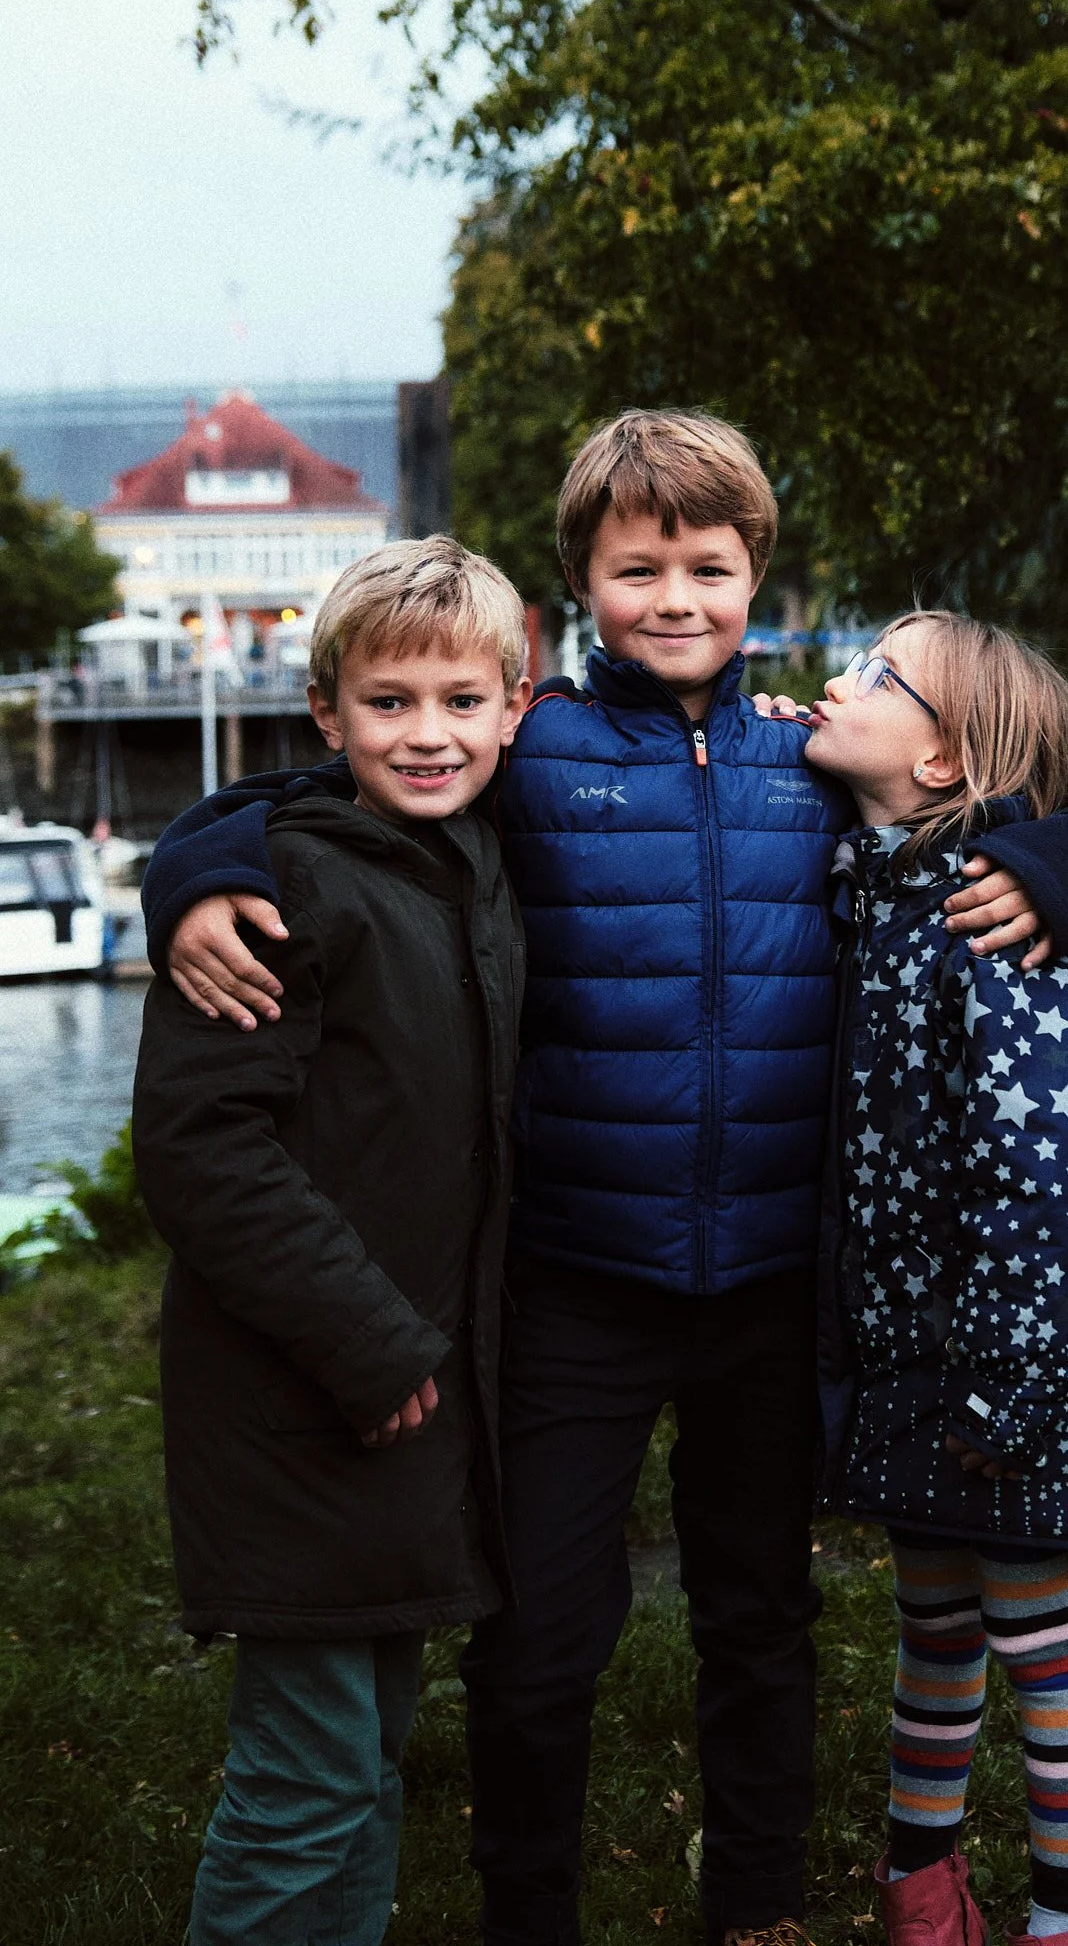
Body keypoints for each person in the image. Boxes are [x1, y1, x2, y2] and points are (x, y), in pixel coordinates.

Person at [138, 411, 1068, 1946]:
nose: (676, 596)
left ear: (754, 576)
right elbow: (325, 795)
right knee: (540, 1642)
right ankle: (528, 1908)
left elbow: (979, 797)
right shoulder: (532, 743)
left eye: (708, 566)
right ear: (578, 588)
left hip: (772, 1285)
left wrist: (1065, 869)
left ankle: (761, 1908)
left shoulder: (814, 754)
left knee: (760, 1621)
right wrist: (191, 872)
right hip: (575, 1278)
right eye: (637, 565)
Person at [132, 538, 532, 1946]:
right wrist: (367, 1343)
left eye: (461, 702)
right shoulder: (271, 893)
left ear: (515, 709)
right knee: (304, 1782)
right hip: (310, 1399)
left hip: (415, 1405)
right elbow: (199, 1148)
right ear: (327, 714)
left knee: (366, 1768)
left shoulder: (471, 860)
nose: (428, 734)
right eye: (389, 703)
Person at [805, 611, 1068, 1946]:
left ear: (944, 766)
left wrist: (1012, 1379)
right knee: (932, 1621)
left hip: (1002, 1360)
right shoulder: (883, 888)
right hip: (912, 1356)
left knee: (1034, 1629)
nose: (836, 676)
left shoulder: (992, 926)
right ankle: (921, 1893)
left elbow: (1062, 1169)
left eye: (877, 674)